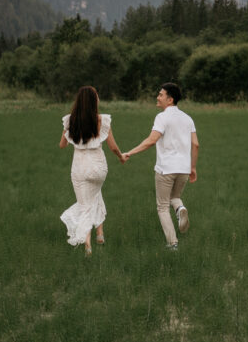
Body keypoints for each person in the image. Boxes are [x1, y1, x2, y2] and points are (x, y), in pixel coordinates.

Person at [123, 82, 199, 250]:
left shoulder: (162, 117)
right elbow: (196, 145)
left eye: (160, 95)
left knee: (163, 207)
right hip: (183, 169)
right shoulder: (188, 118)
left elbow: (151, 140)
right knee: (174, 197)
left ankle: (173, 244)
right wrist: (192, 168)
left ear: (170, 99)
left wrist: (130, 152)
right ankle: (180, 208)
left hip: (166, 169)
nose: (157, 97)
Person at [59, 86, 124, 256]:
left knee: (84, 204)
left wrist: (72, 137)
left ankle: (87, 243)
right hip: (98, 167)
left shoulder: (70, 120)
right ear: (94, 100)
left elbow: (62, 145)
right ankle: (100, 233)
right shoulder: (102, 120)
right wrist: (121, 157)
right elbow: (113, 147)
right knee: (95, 194)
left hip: (79, 167)